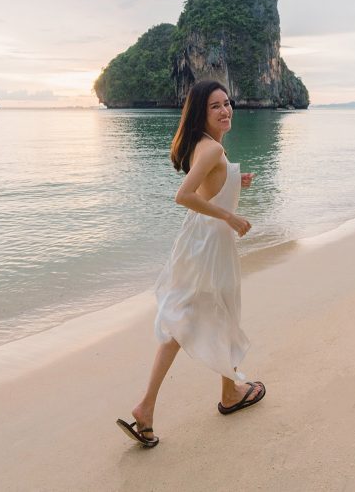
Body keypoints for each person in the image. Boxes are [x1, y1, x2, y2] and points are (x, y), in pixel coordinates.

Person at [116, 80, 266, 448]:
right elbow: (183, 196)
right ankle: (227, 395)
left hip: (199, 240)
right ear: (201, 112)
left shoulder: (207, 146)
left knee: (187, 319)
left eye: (227, 103)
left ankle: (148, 407)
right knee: (215, 313)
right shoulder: (212, 148)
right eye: (216, 106)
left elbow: (206, 189)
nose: (225, 110)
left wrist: (235, 182)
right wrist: (231, 218)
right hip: (210, 243)